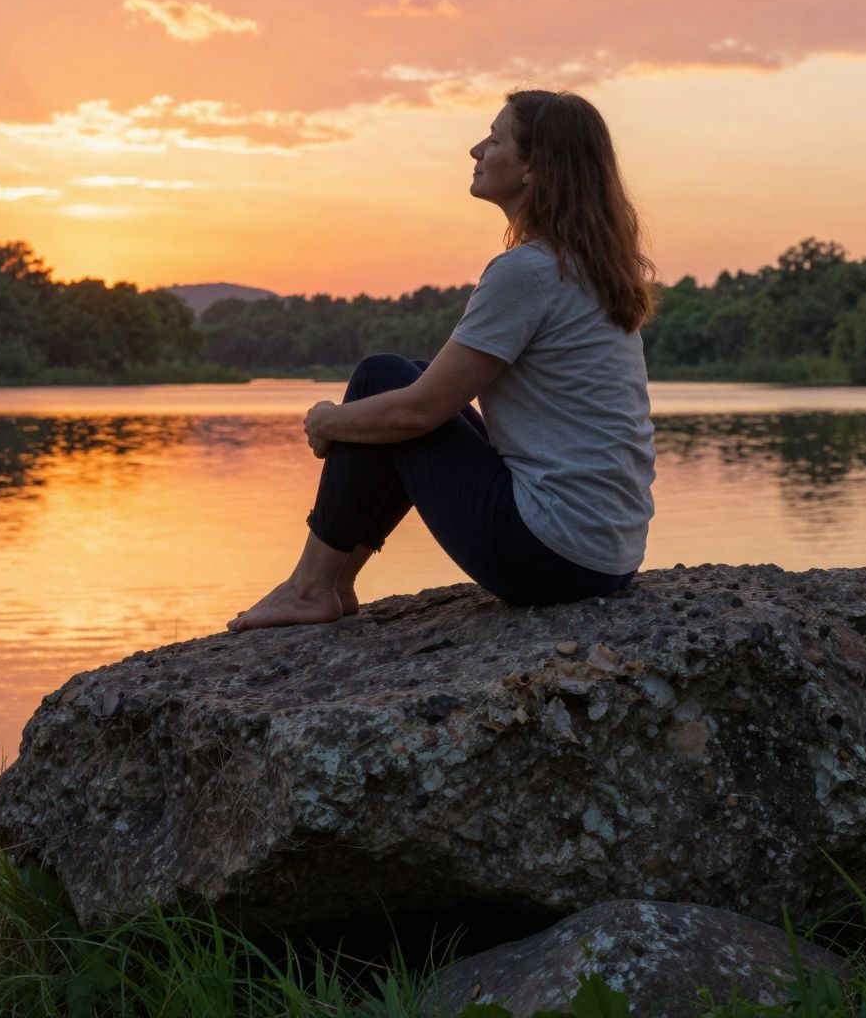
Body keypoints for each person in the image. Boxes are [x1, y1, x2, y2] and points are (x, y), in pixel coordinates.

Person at [227, 88, 658, 631]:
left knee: (382, 379)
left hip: (549, 557)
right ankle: (331, 585)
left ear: (533, 167)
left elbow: (418, 412)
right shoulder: (591, 270)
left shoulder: (528, 271)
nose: (476, 150)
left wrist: (328, 421)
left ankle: (311, 587)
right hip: (608, 558)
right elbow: (428, 400)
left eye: (495, 139)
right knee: (399, 376)